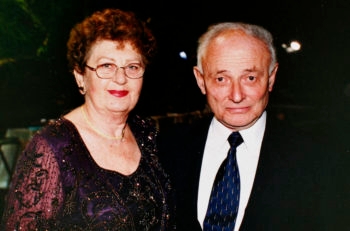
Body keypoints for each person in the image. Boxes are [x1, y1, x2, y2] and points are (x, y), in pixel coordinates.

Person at [1, 8, 175, 230]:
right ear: (80, 76)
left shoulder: (147, 134)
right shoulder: (52, 148)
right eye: (106, 66)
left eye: (132, 67)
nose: (121, 78)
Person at [159, 22, 343, 230]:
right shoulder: (166, 151)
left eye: (250, 78)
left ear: (271, 78)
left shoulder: (319, 160)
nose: (237, 95)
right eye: (221, 79)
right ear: (201, 81)